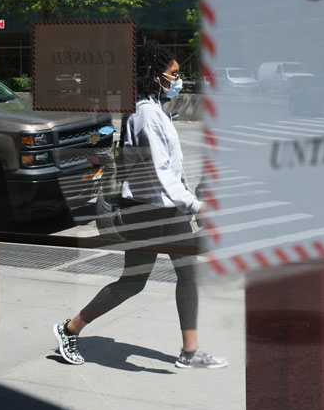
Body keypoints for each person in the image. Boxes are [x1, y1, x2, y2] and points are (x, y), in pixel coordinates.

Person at [53, 43, 228, 369]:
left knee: (187, 275)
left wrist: (188, 202)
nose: (179, 80)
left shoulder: (154, 110)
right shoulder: (146, 114)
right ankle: (69, 328)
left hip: (166, 208)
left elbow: (171, 170)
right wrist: (195, 205)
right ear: (154, 76)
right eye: (174, 74)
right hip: (149, 211)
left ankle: (190, 351)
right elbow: (159, 172)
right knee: (133, 282)